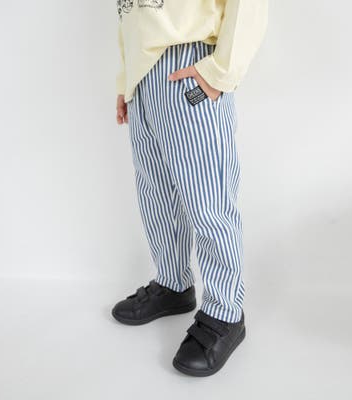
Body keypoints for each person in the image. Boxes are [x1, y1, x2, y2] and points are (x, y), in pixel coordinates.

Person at [112, 0, 268, 377]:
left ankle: (225, 311)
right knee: (156, 194)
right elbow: (131, 15)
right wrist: (126, 80)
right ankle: (173, 284)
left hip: (190, 61)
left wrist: (221, 70)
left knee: (208, 200)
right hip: (143, 76)